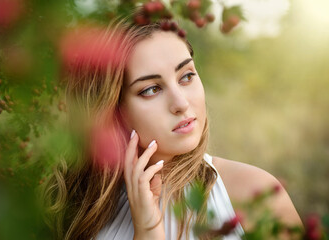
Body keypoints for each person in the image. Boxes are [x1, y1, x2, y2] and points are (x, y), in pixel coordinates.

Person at [43, 19, 302, 240]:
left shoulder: (254, 193)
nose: (181, 103)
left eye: (187, 76)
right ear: (112, 112)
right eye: (151, 89)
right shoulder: (72, 206)